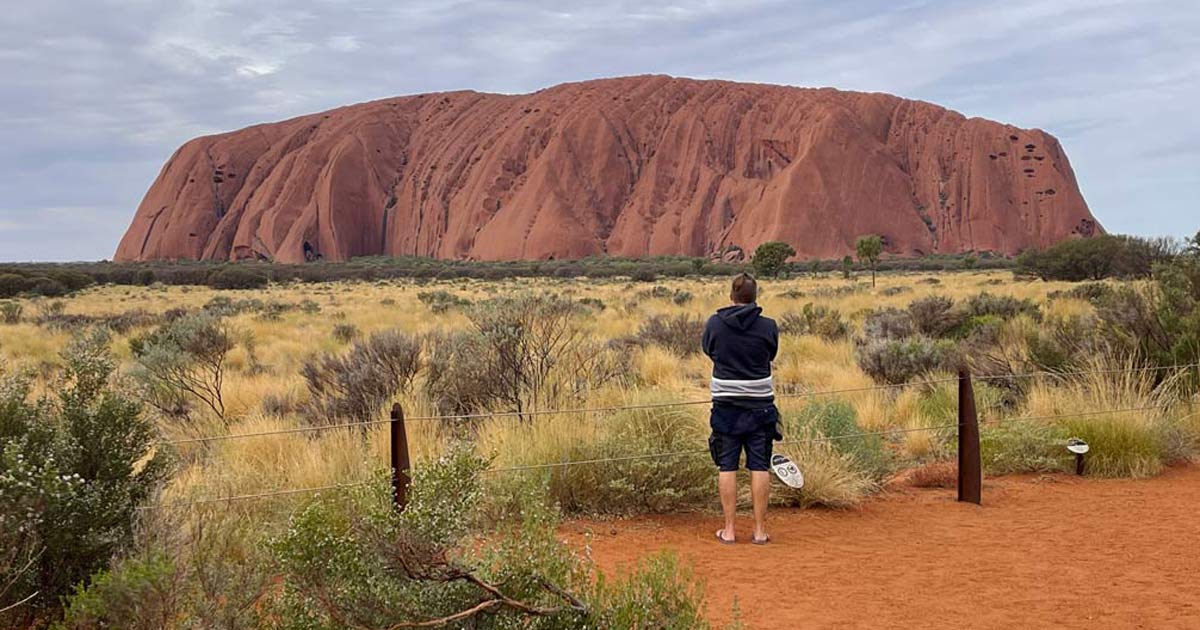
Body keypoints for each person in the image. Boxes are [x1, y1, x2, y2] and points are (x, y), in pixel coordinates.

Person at [702, 272, 780, 545]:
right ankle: (759, 531)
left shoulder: (715, 324)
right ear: (755, 296)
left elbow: (708, 350)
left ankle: (730, 530)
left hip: (726, 406)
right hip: (760, 407)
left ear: (732, 296)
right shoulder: (768, 326)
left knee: (727, 465)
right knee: (760, 466)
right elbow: (771, 354)